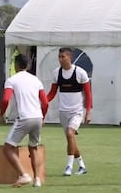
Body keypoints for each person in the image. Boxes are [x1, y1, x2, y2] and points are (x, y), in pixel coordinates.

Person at [0, 54, 49, 187]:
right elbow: (45, 102)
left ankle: (24, 175)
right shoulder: (36, 80)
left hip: (24, 118)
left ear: (16, 65)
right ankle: (37, 179)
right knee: (33, 147)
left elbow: (5, 99)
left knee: (8, 148)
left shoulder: (12, 80)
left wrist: (2, 114)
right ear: (27, 65)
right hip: (37, 117)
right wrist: (43, 117)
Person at [46, 47, 92, 176]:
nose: (60, 59)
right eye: (59, 57)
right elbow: (52, 93)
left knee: (71, 135)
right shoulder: (56, 73)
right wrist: (42, 101)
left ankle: (69, 167)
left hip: (76, 111)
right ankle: (82, 166)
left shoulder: (80, 73)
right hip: (63, 112)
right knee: (70, 140)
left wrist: (88, 111)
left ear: (69, 58)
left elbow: (88, 94)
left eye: (63, 57)